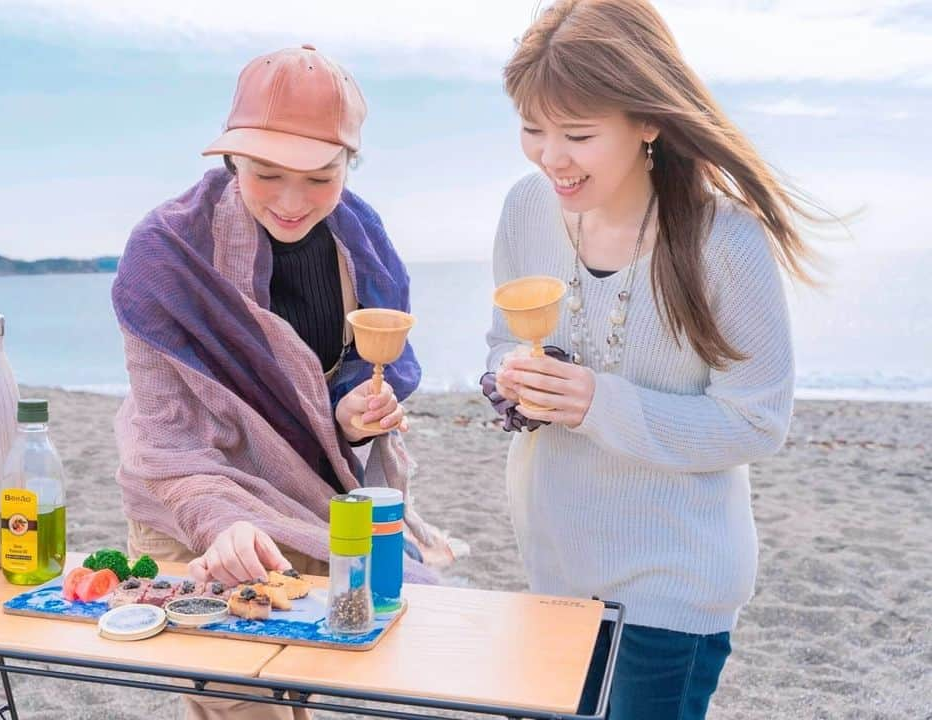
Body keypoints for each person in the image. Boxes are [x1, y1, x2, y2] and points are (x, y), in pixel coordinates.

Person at [481, 2, 819, 718]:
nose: (551, 158)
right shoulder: (525, 209)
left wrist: (598, 403)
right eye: (532, 130)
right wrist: (511, 380)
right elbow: (501, 341)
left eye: (577, 134)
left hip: (673, 587)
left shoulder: (725, 241)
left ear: (648, 121)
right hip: (554, 568)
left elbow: (756, 422)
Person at [112, 45, 451, 720]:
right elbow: (164, 438)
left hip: (312, 499)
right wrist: (224, 521)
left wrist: (349, 416)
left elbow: (327, 392)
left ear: (349, 165)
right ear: (230, 157)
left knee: (326, 674)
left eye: (322, 178)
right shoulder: (166, 254)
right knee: (245, 705)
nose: (294, 203)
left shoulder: (360, 239)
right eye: (267, 174)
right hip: (188, 501)